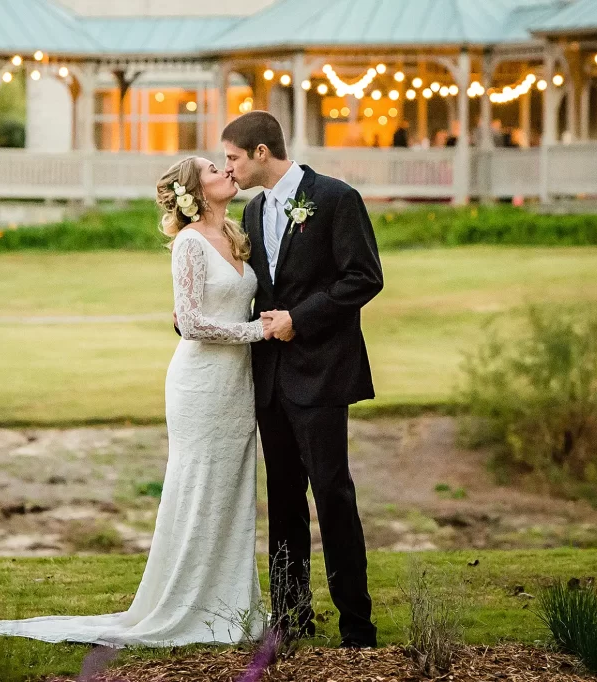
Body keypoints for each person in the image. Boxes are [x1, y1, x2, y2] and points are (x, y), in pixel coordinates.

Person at [0, 157, 271, 647]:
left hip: (238, 385)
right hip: (200, 384)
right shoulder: (189, 243)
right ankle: (185, 605)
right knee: (197, 487)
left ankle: (231, 605)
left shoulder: (239, 234)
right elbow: (194, 323)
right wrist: (258, 330)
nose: (225, 169)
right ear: (195, 190)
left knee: (231, 489)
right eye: (212, 168)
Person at [221, 111, 383, 649]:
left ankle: (357, 626)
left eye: (234, 158)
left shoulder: (336, 198)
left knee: (333, 496)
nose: (230, 168)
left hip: (322, 374)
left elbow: (364, 277)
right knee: (284, 500)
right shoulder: (252, 210)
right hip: (270, 380)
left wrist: (301, 318)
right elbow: (253, 291)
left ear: (262, 152)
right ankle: (290, 619)